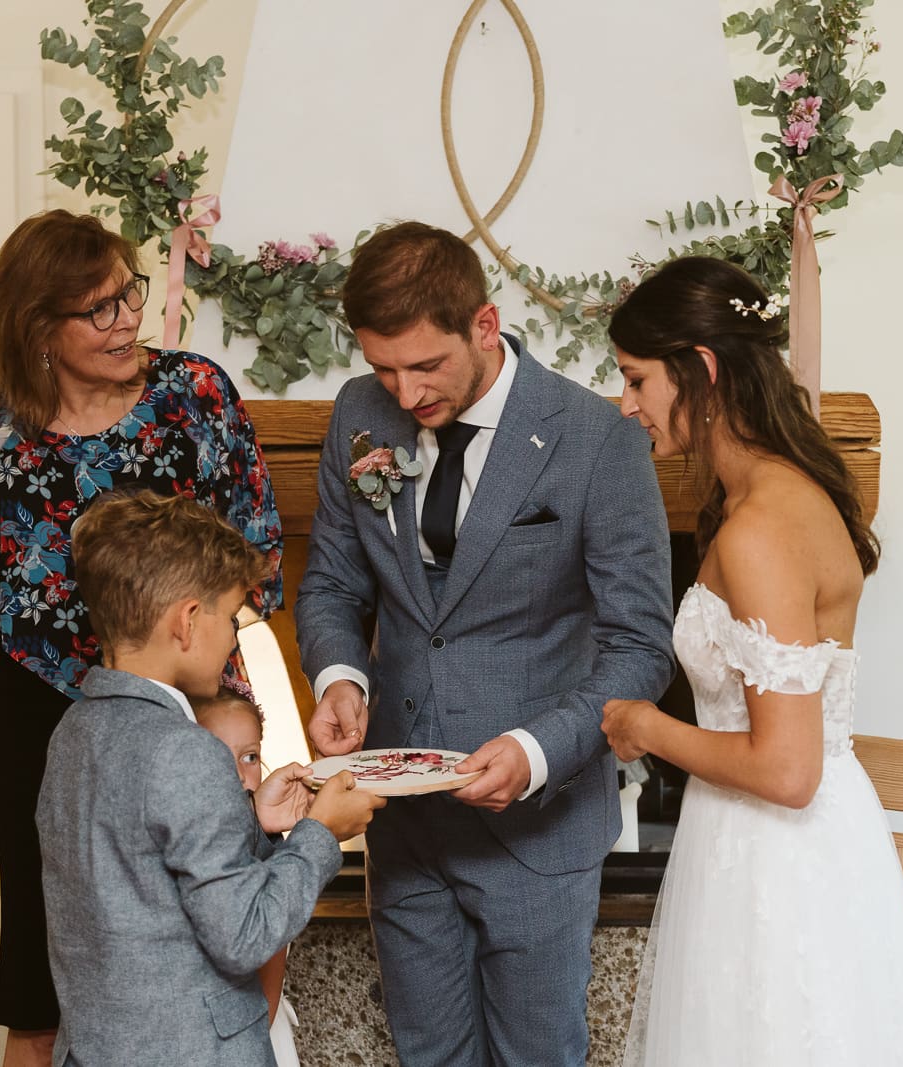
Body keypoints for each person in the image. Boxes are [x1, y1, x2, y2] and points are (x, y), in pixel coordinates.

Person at [294, 221, 675, 1066]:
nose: (404, 392)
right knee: (426, 1053)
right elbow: (331, 584)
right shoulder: (360, 412)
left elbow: (641, 646)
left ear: (485, 324)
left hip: (540, 826)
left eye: (425, 366)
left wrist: (537, 752)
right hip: (403, 820)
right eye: (384, 368)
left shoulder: (597, 438)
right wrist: (340, 678)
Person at [0, 209, 283, 1067]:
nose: (128, 319)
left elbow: (260, 549)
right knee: (42, 979)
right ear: (36, 329)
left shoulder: (195, 392)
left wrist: (204, 654)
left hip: (194, 706)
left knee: (225, 945)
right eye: (99, 308)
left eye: (129, 294)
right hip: (41, 709)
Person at [599, 256, 903, 1064]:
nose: (627, 404)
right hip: (773, 843)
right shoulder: (785, 491)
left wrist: (646, 725)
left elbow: (788, 770)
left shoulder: (761, 527)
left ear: (701, 368)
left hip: (776, 861)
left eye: (637, 379)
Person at [36, 489, 382, 1066]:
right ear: (188, 620)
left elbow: (143, 874)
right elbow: (245, 936)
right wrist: (321, 834)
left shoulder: (74, 729)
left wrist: (255, 822)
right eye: (231, 616)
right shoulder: (185, 749)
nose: (233, 636)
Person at [193, 682, 300, 1066]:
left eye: (250, 757)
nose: (239, 774)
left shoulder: (267, 849)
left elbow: (271, 963)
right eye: (217, 755)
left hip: (252, 1031)